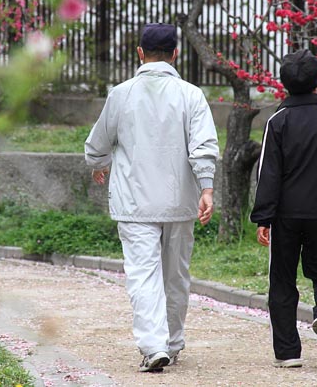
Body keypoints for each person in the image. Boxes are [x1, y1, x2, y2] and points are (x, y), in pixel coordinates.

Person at [84, 23, 219, 372]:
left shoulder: (121, 94)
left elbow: (98, 143)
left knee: (143, 275)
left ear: (140, 53)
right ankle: (172, 343)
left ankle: (154, 346)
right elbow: (203, 146)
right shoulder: (191, 95)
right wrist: (206, 187)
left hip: (134, 203)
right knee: (176, 276)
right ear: (176, 54)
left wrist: (99, 164)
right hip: (180, 201)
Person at [250, 49, 317, 368]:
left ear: (284, 84)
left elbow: (268, 172)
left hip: (285, 216)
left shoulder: (277, 121)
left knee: (282, 280)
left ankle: (288, 352)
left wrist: (263, 217)